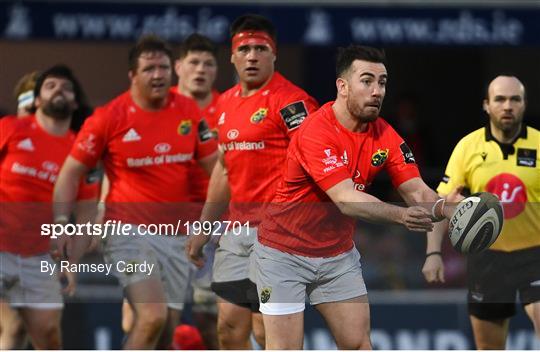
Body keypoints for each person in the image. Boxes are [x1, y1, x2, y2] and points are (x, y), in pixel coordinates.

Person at [252, 45, 461, 349]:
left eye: (383, 82)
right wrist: (402, 215)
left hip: (336, 256)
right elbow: (346, 198)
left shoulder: (384, 133)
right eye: (367, 81)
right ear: (343, 86)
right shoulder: (315, 131)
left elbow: (416, 189)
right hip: (283, 254)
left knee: (359, 345)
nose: (377, 91)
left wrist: (447, 206)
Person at [52, 35, 217, 349]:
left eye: (163, 68)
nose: (157, 75)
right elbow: (69, 174)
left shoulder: (189, 111)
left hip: (177, 236)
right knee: (151, 316)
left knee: (166, 332)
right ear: (132, 75)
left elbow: (218, 172)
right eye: (149, 68)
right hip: (127, 233)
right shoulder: (108, 117)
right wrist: (62, 223)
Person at [186, 14, 319, 349]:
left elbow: (317, 165)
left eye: (261, 48)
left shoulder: (293, 103)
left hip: (278, 235)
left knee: (266, 330)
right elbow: (224, 169)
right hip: (235, 234)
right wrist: (204, 227)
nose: (252, 55)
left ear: (274, 54)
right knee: (228, 329)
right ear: (232, 55)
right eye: (244, 48)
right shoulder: (225, 104)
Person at [119, 33, 221, 349]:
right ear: (178, 66)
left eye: (208, 63)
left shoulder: (228, 108)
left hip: (214, 227)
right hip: (157, 226)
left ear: (218, 69)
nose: (200, 69)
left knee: (211, 323)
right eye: (193, 62)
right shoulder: (151, 104)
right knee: (140, 320)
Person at [422, 75, 540, 349]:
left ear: (524, 105)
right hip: (487, 260)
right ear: (487, 105)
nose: (507, 106)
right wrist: (433, 253)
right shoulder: (467, 147)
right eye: (500, 99)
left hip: (535, 255)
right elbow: (441, 204)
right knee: (489, 347)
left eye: (515, 99)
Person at [0, 64, 98, 349]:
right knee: (10, 326)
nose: (59, 90)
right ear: (37, 100)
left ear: (75, 101)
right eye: (51, 85)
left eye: (67, 87)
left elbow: (87, 212)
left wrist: (72, 261)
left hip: (40, 256)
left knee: (48, 337)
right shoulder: (10, 128)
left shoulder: (82, 152)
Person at [0, 69, 40, 350]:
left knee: (20, 329)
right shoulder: (8, 129)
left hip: (29, 251)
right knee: (13, 325)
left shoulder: (66, 143)